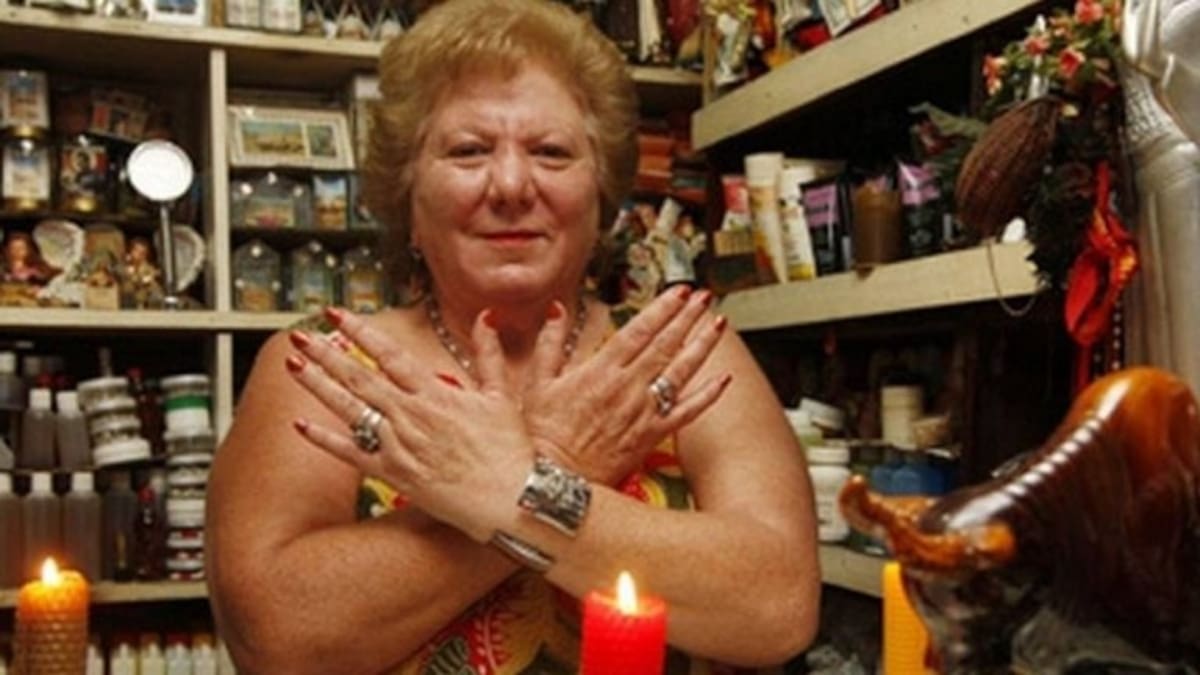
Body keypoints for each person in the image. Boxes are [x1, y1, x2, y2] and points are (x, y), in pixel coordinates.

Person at [206, 1, 820, 673]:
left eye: (551, 152)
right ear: (407, 198)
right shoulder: (326, 365)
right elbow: (274, 636)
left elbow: (778, 608)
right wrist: (557, 462)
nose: (510, 185)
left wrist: (514, 485)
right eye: (468, 151)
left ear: (602, 195)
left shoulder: (679, 349)